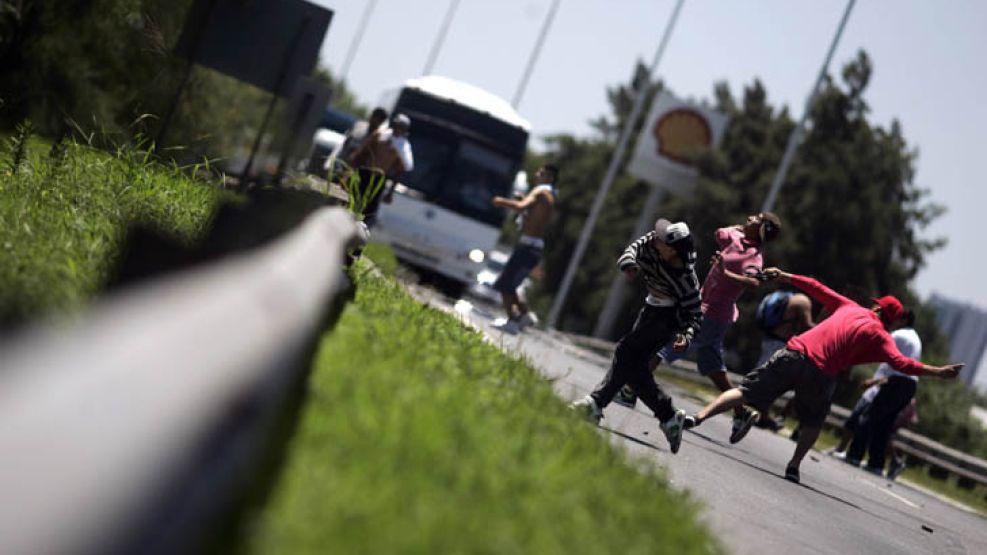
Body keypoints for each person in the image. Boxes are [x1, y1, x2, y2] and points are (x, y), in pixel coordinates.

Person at [683, 268, 963, 484]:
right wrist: (937, 372)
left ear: (877, 307)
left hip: (795, 353)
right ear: (891, 319)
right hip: (822, 374)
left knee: (745, 391)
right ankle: (793, 467)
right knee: (813, 421)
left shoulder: (851, 306)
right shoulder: (882, 337)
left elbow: (816, 287)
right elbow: (902, 363)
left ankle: (697, 418)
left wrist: (785, 276)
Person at [614, 213, 783, 441]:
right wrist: (741, 229)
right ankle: (741, 413)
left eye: (756, 219)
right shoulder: (737, 238)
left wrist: (726, 272)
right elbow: (719, 233)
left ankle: (629, 390)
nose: (750, 217)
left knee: (666, 345)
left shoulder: (754, 256)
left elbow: (753, 283)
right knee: (713, 367)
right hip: (708, 309)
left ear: (762, 229)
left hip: (712, 314)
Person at [570, 218, 702, 454]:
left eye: (662, 239)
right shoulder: (654, 243)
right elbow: (633, 248)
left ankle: (595, 403)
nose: (655, 237)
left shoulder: (686, 280)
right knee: (635, 368)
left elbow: (694, 314)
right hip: (650, 308)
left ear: (672, 251)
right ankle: (669, 416)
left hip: (667, 317)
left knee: (625, 351)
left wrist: (686, 335)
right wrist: (629, 263)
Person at [845, 310, 923, 473]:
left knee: (868, 418)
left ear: (904, 319)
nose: (893, 320)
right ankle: (876, 464)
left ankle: (854, 455)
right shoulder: (914, 337)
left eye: (896, 318)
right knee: (884, 425)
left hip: (897, 382)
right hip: (910, 384)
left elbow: (883, 357)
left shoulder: (898, 335)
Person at [489, 164, 558, 333]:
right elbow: (533, 215)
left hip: (527, 246)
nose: (537, 175)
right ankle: (525, 315)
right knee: (511, 285)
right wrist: (522, 201)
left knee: (505, 285)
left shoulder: (540, 191)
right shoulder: (550, 196)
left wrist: (501, 201)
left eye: (541, 173)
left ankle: (513, 321)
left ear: (549, 178)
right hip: (533, 247)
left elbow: (521, 208)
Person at [346, 113, 414, 227]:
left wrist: (390, 192)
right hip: (365, 173)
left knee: (369, 209)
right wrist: (349, 172)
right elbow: (362, 153)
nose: (398, 130)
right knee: (353, 200)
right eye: (397, 126)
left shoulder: (403, 147)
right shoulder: (380, 135)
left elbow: (401, 170)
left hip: (379, 178)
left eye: (401, 128)